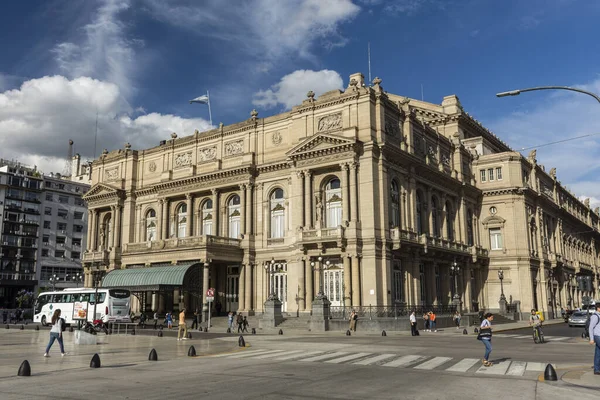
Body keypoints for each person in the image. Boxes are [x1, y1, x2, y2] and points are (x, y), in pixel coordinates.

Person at [588, 302, 600, 375]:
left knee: (598, 353)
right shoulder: (595, 316)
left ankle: (597, 369)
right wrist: (591, 339)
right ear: (598, 308)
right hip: (597, 336)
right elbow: (590, 328)